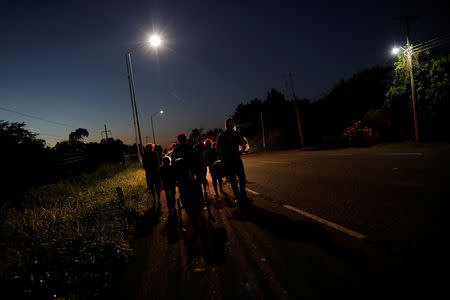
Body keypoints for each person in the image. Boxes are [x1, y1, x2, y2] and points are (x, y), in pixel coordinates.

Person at [217, 118, 248, 205]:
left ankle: (243, 195)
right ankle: (238, 197)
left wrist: (239, 153)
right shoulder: (222, 135)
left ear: (233, 125)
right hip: (228, 161)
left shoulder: (237, 134)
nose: (229, 126)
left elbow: (244, 145)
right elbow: (218, 149)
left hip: (237, 159)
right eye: (228, 125)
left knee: (242, 178)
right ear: (226, 126)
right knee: (233, 180)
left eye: (231, 125)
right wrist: (221, 160)